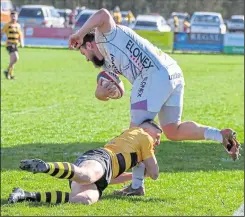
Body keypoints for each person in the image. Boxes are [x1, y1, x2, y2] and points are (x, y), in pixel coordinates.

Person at [68, 8, 241, 196]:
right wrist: (100, 93)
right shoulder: (108, 61)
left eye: (82, 52)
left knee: (135, 134)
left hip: (152, 76)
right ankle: (219, 135)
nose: (85, 58)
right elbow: (116, 90)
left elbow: (103, 13)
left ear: (89, 44)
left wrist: (78, 33)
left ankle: (136, 186)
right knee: (173, 130)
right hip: (172, 71)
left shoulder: (104, 35)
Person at [8, 120, 162, 205]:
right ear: (147, 131)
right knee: (87, 176)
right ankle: (45, 166)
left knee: (84, 200)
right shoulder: (143, 135)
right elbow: (155, 173)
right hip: (102, 158)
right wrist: (148, 171)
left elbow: (111, 177)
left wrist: (134, 176)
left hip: (104, 173)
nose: (158, 141)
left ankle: (25, 195)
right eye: (157, 136)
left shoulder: (133, 145)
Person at [1, 11, 24, 80]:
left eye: (15, 16)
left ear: (17, 17)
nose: (13, 18)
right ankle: (7, 71)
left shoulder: (18, 25)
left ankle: (9, 74)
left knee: (12, 60)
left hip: (15, 44)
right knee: (16, 58)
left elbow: (20, 35)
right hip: (9, 44)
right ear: (10, 17)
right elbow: (1, 33)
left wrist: (22, 42)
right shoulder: (7, 25)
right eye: (12, 16)